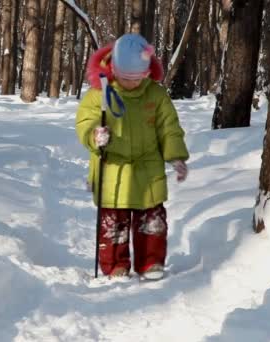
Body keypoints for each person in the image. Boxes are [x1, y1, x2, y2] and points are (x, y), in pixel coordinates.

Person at [75, 33, 189, 280]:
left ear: (148, 72)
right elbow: (85, 121)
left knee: (152, 221)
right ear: (114, 68)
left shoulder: (156, 95)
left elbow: (169, 127)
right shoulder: (99, 93)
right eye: (126, 78)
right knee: (113, 224)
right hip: (112, 167)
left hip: (147, 167)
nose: (132, 83)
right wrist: (95, 135)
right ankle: (115, 265)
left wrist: (176, 155)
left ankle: (151, 263)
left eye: (139, 78)